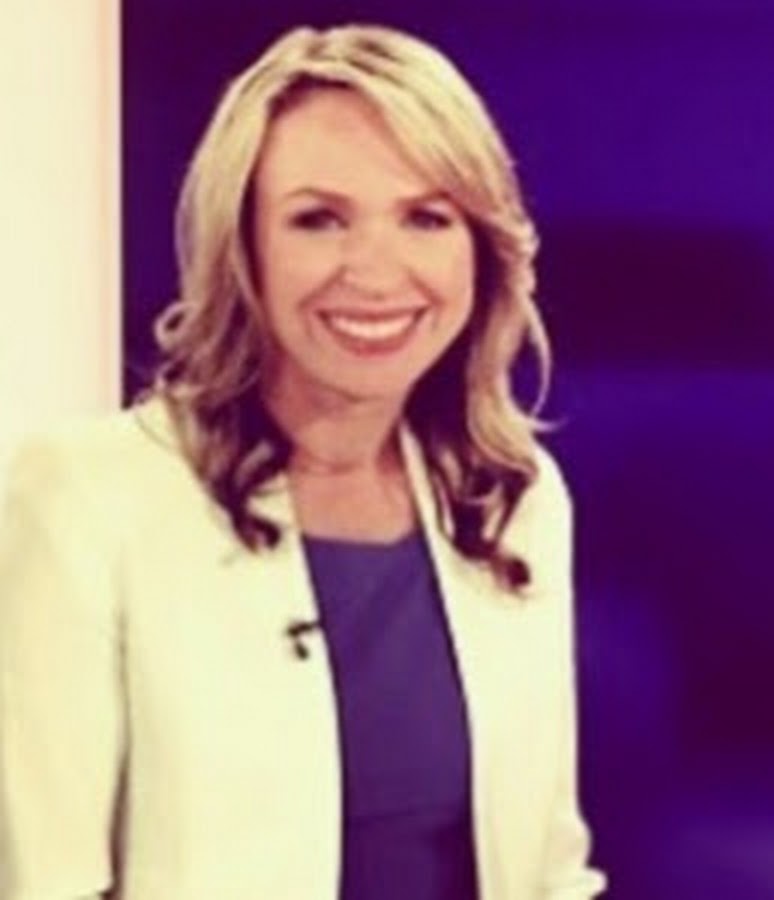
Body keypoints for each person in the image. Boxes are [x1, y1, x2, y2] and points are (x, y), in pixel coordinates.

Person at [0, 23, 606, 900]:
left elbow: (548, 871)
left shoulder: (512, 499)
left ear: (479, 250)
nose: (376, 271)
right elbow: (42, 883)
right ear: (243, 248)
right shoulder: (87, 497)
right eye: (320, 219)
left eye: (426, 217)